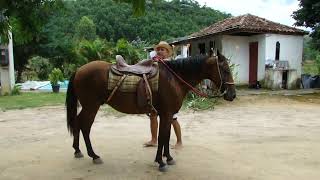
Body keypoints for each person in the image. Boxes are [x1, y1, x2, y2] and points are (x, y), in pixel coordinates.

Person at [144, 41, 183, 149]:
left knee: (173, 119)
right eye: (159, 49)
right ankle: (154, 139)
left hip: (168, 96)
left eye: (163, 50)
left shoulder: (170, 63)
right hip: (156, 95)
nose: (160, 51)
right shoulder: (154, 62)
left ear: (168, 52)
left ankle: (179, 141)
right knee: (153, 116)